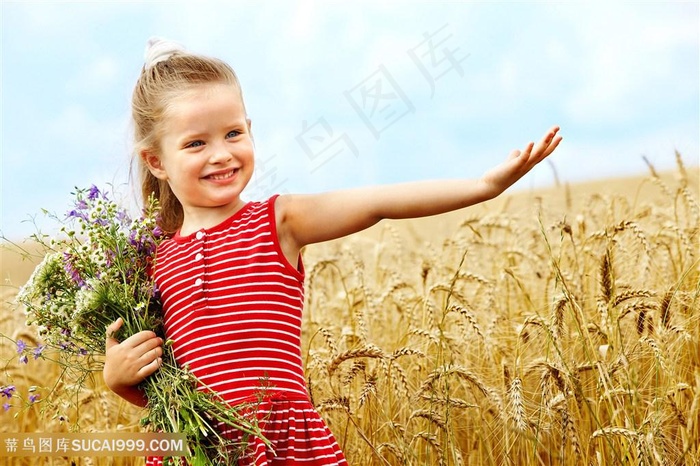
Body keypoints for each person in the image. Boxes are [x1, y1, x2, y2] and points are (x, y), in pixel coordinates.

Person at [102, 38, 562, 466]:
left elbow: (378, 204)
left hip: (282, 443)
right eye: (196, 143)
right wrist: (119, 381)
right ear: (156, 161)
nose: (221, 154)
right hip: (198, 448)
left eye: (234, 134)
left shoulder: (277, 221)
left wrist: (483, 186)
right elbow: (166, 392)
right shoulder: (149, 261)